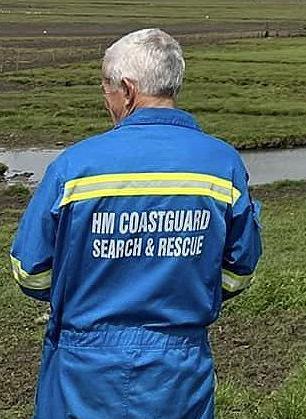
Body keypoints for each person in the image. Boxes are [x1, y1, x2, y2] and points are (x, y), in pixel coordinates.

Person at [9, 28, 262, 418]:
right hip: (178, 370)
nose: (105, 100)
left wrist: (82, 292)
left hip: (83, 368)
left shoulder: (75, 167)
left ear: (127, 90)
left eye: (105, 89)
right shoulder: (221, 165)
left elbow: (30, 271)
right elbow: (238, 270)